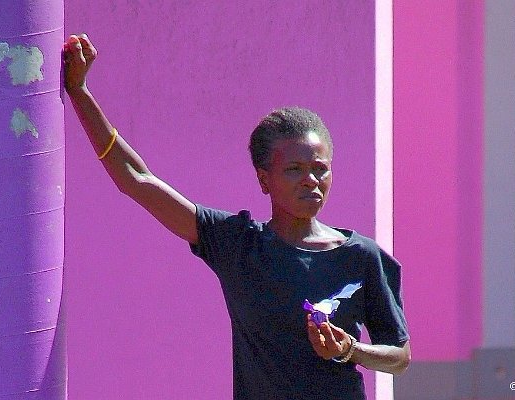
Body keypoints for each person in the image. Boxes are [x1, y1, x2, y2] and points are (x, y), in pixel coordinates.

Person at [62, 33, 410, 400]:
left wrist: (349, 350)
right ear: (264, 179)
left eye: (320, 169)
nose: (311, 180)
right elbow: (137, 180)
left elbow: (399, 356)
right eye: (294, 169)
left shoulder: (361, 256)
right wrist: (80, 91)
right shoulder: (238, 245)